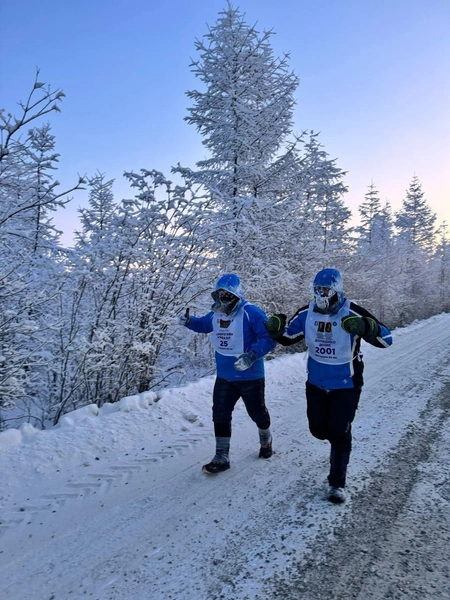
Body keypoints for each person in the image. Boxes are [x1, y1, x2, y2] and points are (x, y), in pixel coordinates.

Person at [265, 268, 393, 503]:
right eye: (317, 290)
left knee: (339, 432)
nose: (321, 294)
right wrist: (275, 331)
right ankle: (334, 438)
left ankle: (337, 483)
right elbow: (290, 336)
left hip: (346, 383)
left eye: (325, 290)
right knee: (318, 430)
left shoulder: (351, 311)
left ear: (337, 290)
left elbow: (387, 339)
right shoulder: (307, 312)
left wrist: (366, 328)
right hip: (315, 382)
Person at [178, 273, 276, 474]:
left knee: (257, 413)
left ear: (237, 294)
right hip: (225, 376)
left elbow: (269, 338)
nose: (223, 298)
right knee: (220, 413)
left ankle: (266, 439)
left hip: (250, 375)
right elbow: (204, 325)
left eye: (227, 294)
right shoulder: (216, 314)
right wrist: (189, 321)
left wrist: (252, 355)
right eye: (220, 294)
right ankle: (221, 456)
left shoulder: (252, 313)